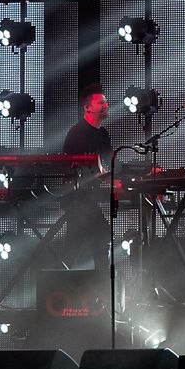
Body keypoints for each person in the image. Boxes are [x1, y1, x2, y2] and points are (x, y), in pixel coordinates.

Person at [60, 87, 114, 272]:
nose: (105, 106)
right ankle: (62, 287)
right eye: (100, 102)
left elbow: (110, 163)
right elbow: (71, 168)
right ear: (87, 107)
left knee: (98, 239)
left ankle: (98, 289)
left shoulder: (103, 134)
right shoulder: (77, 133)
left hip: (90, 198)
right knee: (84, 242)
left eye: (105, 102)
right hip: (77, 198)